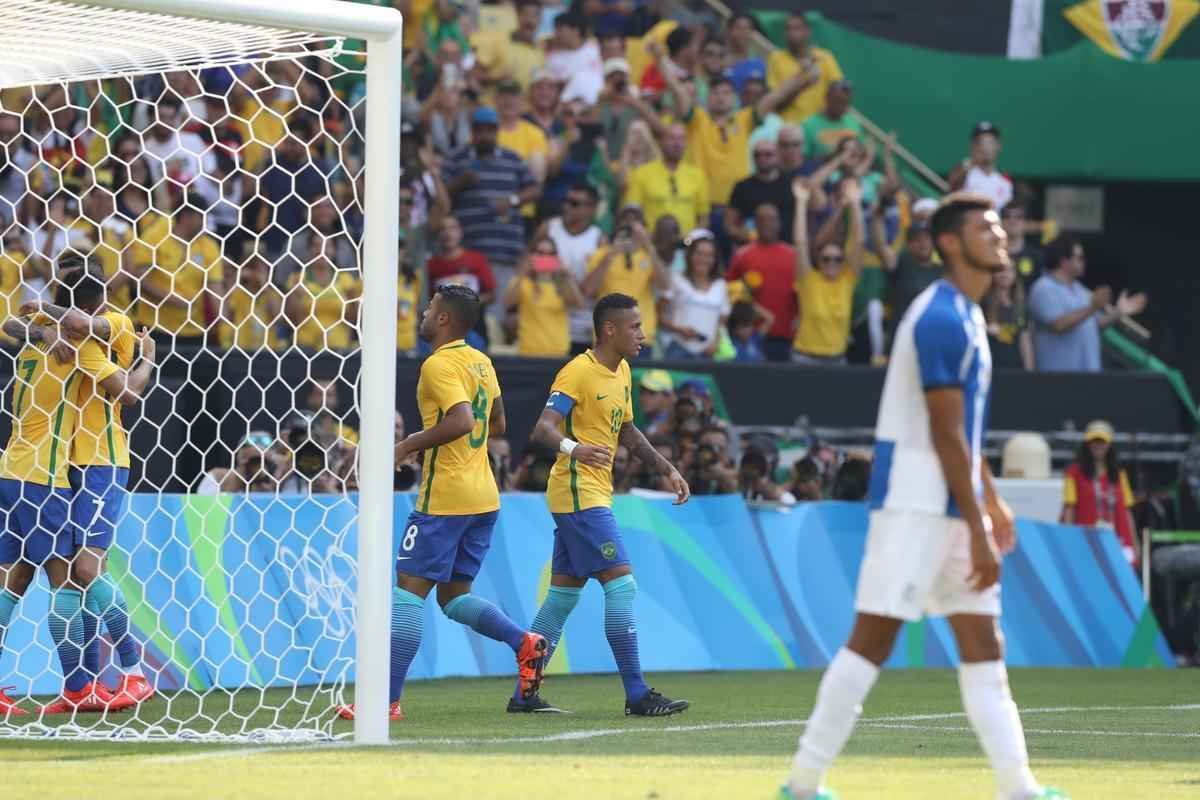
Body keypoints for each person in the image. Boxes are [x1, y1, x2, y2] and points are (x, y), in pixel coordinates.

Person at [778, 193, 1066, 800]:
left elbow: (963, 432)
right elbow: (942, 431)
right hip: (914, 504)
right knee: (873, 639)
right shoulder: (940, 318)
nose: (1000, 233)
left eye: (999, 224)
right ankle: (802, 782)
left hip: (949, 504)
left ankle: (1018, 786)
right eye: (984, 226)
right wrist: (982, 521)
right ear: (950, 244)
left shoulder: (965, 316)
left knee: (985, 642)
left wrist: (991, 500)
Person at [336, 285, 548, 722]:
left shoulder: (437, 364)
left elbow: (463, 419)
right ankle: (524, 643)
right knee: (453, 598)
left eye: (430, 309)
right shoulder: (482, 361)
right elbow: (499, 422)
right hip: (484, 495)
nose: (424, 314)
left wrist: (407, 444)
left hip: (446, 495)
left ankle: (384, 702)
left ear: (445, 319)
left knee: (408, 593)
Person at [511, 292, 691, 715]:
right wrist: (575, 449)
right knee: (622, 584)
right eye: (634, 326)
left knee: (560, 599)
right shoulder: (578, 372)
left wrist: (667, 469)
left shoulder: (623, 370)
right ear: (608, 329)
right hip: (577, 490)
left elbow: (627, 431)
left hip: (591, 492)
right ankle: (637, 694)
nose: (642, 335)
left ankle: (524, 695)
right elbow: (543, 429)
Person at [0, 264, 155, 716]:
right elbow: (126, 391)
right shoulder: (75, 343)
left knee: (20, 578)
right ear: (98, 300)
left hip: (28, 466)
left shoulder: (55, 332)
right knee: (73, 575)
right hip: (47, 473)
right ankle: (119, 675)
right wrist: (147, 358)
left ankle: (84, 686)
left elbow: (13, 324)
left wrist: (43, 321)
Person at [442, 106, 540, 288]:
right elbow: (439, 196)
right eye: (479, 130)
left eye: (489, 130)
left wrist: (512, 200)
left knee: (499, 313)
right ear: (472, 131)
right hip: (467, 251)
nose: (484, 135)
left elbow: (534, 189)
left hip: (505, 249)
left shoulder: (513, 159)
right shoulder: (456, 158)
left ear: (496, 131)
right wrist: (461, 182)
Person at [1028, 236, 1146, 373]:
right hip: (1058, 378)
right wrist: (1092, 308)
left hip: (1088, 375)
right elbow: (1058, 325)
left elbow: (1093, 325)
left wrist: (1118, 312)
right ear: (1064, 261)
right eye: (1080, 257)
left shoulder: (1080, 290)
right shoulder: (1043, 288)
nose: (1084, 262)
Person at [791, 177, 864, 364]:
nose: (832, 263)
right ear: (819, 261)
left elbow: (858, 242)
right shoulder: (809, 279)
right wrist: (801, 202)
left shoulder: (847, 280)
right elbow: (800, 243)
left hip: (837, 359)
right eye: (826, 259)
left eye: (838, 259)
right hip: (805, 357)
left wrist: (855, 203)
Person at [582, 206, 671, 354]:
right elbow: (588, 290)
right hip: (608, 337)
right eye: (625, 220)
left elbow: (665, 285)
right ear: (617, 226)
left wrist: (648, 245)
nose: (630, 226)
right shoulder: (602, 254)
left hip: (641, 336)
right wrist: (611, 254)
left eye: (635, 221)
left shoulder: (648, 255)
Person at [727, 202, 797, 361]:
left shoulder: (793, 255)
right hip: (751, 338)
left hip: (786, 337)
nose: (767, 224)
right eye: (762, 219)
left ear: (779, 223)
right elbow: (729, 292)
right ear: (755, 223)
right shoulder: (742, 255)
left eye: (771, 219)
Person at [1061, 420, 1138, 564]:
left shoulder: (1119, 474)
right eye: (1094, 441)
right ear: (1087, 444)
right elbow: (1069, 510)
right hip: (1086, 541)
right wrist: (1068, 541)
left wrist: (1135, 543)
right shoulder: (1073, 474)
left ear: (1109, 444)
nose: (1098, 445)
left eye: (1102, 441)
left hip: (1119, 541)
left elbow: (1127, 513)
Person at [542, 183, 605, 354]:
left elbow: (595, 287)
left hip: (583, 323)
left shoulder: (598, 238)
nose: (567, 207)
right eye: (566, 201)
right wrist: (559, 269)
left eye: (575, 203)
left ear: (591, 208)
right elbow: (529, 263)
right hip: (549, 319)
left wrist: (565, 276)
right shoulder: (549, 228)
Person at [501, 236, 584, 357]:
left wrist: (567, 276)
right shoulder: (523, 281)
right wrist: (523, 272)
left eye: (551, 253)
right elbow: (507, 303)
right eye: (540, 253)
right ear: (531, 255)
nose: (545, 257)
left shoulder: (562, 283)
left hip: (559, 353)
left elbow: (578, 305)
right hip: (528, 352)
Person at [623, 122, 709, 234]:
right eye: (672, 138)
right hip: (652, 243)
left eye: (682, 139)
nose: (677, 143)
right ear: (661, 142)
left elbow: (703, 218)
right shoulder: (642, 173)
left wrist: (692, 242)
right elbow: (632, 214)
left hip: (686, 245)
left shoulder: (698, 175)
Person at [660, 232, 729, 359]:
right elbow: (660, 315)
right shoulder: (677, 280)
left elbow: (722, 319)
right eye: (699, 253)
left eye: (709, 255)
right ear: (690, 255)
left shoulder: (720, 285)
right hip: (678, 349)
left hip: (707, 353)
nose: (703, 259)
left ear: (715, 259)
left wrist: (716, 341)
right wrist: (679, 329)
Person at [767, 12, 843, 125]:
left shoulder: (824, 57)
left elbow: (839, 89)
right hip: (787, 126)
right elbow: (774, 101)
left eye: (797, 28)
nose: (792, 33)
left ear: (808, 32)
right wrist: (803, 80)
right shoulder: (776, 58)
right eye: (788, 29)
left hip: (819, 126)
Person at [949, 122, 1012, 212]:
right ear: (973, 146)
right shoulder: (964, 172)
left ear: (998, 145)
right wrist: (972, 161)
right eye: (981, 142)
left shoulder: (1005, 181)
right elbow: (952, 188)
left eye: (990, 142)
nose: (985, 147)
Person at [983, 259, 1034, 370]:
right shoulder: (983, 302)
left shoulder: (1021, 306)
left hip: (1015, 366)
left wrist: (1030, 372)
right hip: (991, 366)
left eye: (1010, 270)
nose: (1005, 274)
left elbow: (1025, 342)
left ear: (1015, 275)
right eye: (1000, 269)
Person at [801, 80, 863, 163]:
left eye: (847, 102)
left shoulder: (853, 122)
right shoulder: (808, 125)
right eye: (839, 101)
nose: (844, 107)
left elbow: (861, 153)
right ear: (827, 97)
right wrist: (833, 156)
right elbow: (803, 162)